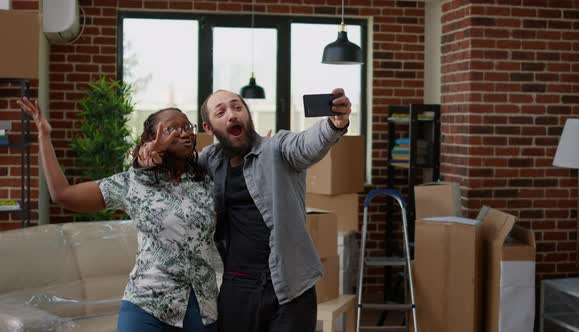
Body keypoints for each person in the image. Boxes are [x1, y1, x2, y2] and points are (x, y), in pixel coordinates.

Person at [138, 88, 352, 332]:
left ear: (248, 115)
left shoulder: (278, 149)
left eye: (237, 107)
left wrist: (335, 124)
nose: (231, 115)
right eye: (221, 112)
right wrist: (147, 159)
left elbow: (306, 144)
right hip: (237, 285)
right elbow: (169, 172)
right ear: (209, 128)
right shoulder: (209, 161)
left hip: (290, 285)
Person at [17, 97, 218, 332]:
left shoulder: (208, 178)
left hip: (202, 306)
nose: (183, 133)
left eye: (186, 127)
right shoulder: (131, 183)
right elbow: (63, 194)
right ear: (151, 139)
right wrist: (44, 136)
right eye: (172, 129)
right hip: (148, 304)